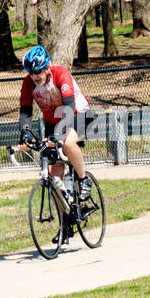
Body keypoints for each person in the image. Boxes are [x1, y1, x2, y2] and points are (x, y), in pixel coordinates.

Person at [17, 44, 94, 202]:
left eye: (38, 71)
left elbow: (69, 105)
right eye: (31, 73)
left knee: (67, 144)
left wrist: (59, 135)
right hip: (53, 121)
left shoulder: (60, 73)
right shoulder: (28, 83)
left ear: (47, 67)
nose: (35, 76)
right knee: (53, 177)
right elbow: (25, 110)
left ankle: (83, 179)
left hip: (77, 114)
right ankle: (64, 221)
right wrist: (25, 133)